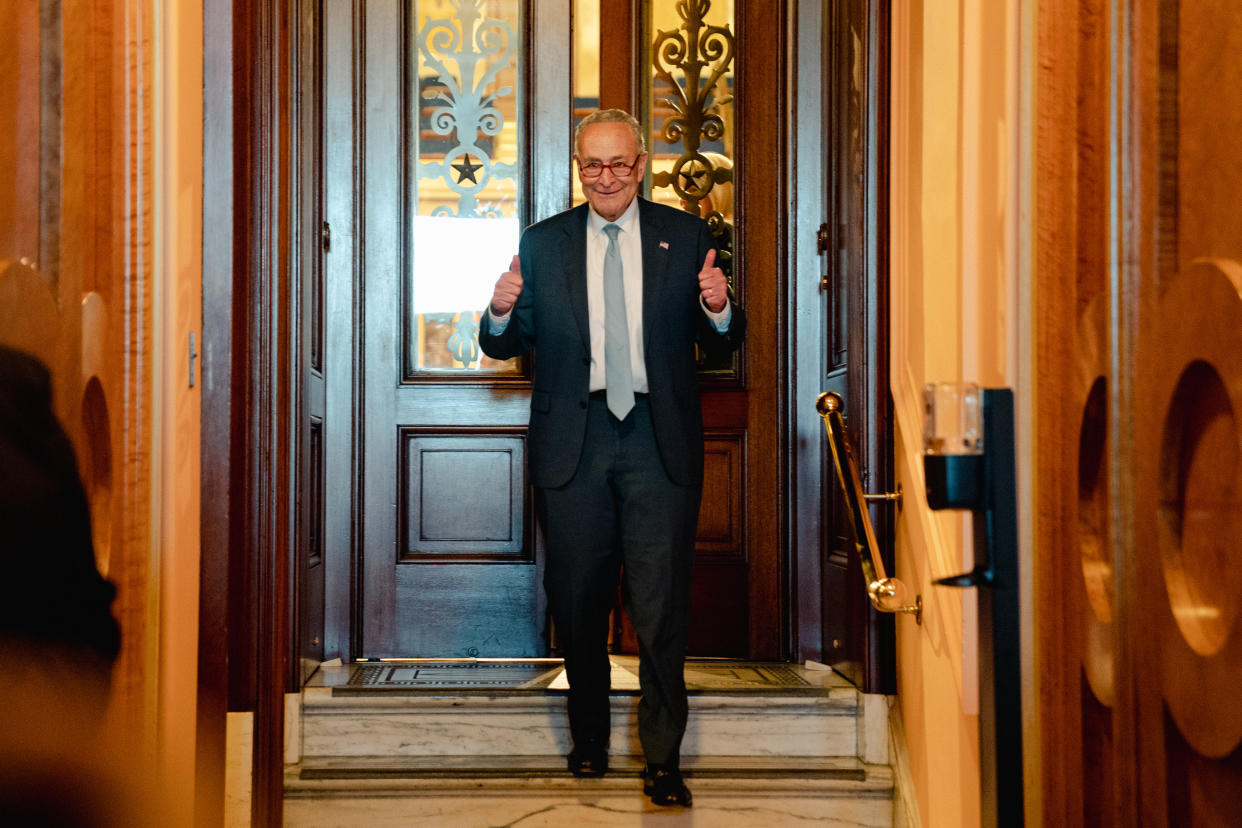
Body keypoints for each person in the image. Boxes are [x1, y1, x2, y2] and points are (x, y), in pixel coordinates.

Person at [479, 108, 746, 808]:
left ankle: (663, 760)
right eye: (593, 165)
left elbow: (723, 341)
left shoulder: (686, 236)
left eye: (620, 164)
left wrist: (719, 308)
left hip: (658, 439)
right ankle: (590, 741)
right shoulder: (543, 245)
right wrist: (501, 312)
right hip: (577, 439)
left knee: (661, 608)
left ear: (642, 164)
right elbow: (506, 343)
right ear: (578, 167)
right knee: (580, 599)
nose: (606, 177)